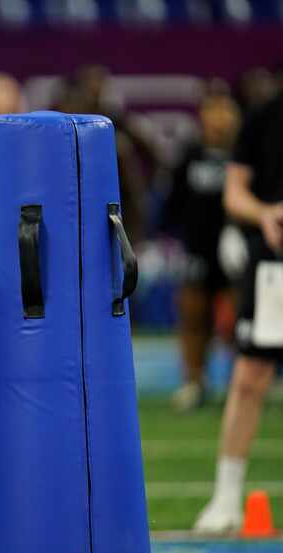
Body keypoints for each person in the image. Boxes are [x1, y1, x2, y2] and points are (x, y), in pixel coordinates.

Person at [193, 85, 283, 533]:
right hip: (275, 267)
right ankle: (226, 497)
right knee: (249, 379)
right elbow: (234, 194)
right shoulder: (264, 116)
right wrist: (267, 214)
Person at [165, 89, 241, 412]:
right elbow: (173, 203)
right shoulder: (189, 155)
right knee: (193, 316)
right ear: (203, 117)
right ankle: (194, 381)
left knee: (242, 318)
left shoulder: (244, 154)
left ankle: (242, 383)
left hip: (237, 249)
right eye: (213, 111)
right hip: (198, 249)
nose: (220, 118)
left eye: (225, 110)